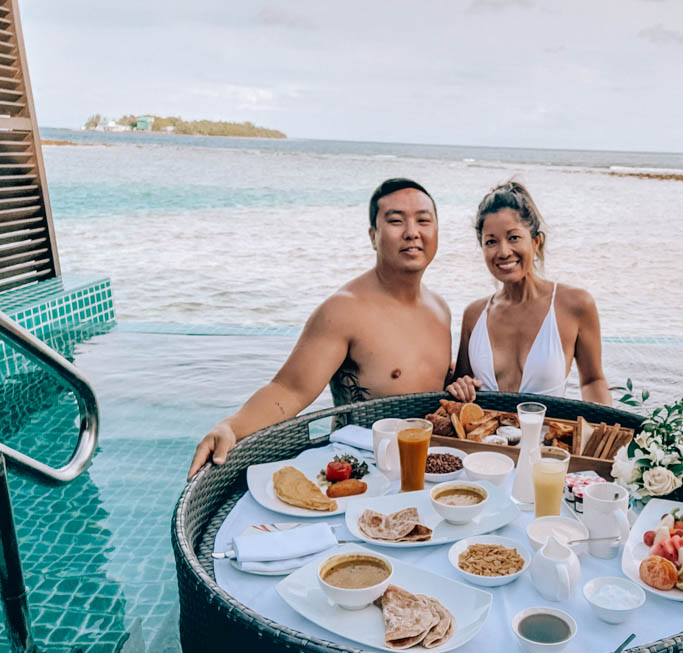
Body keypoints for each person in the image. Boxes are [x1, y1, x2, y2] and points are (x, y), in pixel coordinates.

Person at [188, 178, 452, 478]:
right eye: (395, 221)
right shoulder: (343, 310)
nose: (412, 232)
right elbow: (289, 390)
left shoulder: (440, 310)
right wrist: (231, 427)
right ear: (373, 236)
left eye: (423, 221)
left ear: (436, 232)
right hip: (361, 472)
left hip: (432, 470)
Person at [446, 181, 610, 405]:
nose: (503, 252)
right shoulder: (474, 315)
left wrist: (599, 434)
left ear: (535, 241)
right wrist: (459, 386)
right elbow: (461, 388)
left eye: (513, 237)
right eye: (491, 241)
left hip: (550, 439)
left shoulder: (576, 305)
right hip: (483, 440)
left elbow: (592, 381)